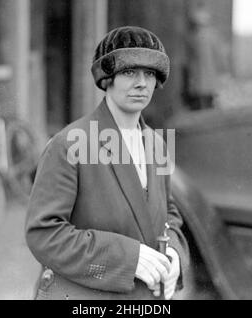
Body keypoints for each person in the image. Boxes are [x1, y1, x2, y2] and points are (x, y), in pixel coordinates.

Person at [25, 26, 189, 300]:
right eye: (129, 72)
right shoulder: (69, 143)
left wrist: (173, 253)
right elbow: (45, 233)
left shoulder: (157, 144)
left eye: (149, 74)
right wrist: (127, 258)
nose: (141, 83)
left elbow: (168, 214)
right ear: (107, 79)